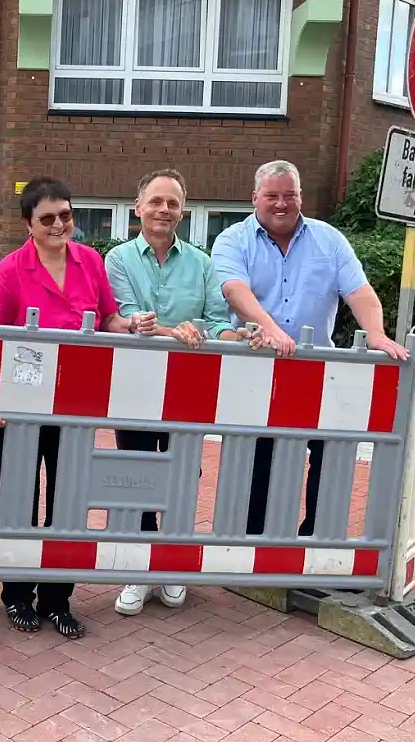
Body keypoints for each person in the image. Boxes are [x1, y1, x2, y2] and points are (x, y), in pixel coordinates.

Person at [0, 177, 158, 639]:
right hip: (18, 408)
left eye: (66, 215)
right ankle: (16, 595)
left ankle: (57, 598)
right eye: (47, 218)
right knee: (19, 504)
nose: (59, 224)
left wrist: (130, 324)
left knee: (67, 505)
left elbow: (106, 318)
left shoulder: (90, 262)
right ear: (28, 225)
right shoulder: (10, 270)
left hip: (74, 406)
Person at [210, 160, 408, 537]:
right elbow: (235, 290)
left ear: (300, 196)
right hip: (257, 366)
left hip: (317, 370)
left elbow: (360, 292)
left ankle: (315, 539)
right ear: (255, 198)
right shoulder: (232, 239)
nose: (282, 204)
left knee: (329, 454)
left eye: (290, 195)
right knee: (259, 458)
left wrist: (377, 334)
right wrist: (268, 329)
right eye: (272, 196)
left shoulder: (329, 240)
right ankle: (253, 543)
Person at [104, 168, 262, 616]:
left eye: (173, 203)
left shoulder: (203, 262)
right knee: (138, 474)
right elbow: (128, 317)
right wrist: (175, 330)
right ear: (138, 208)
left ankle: (172, 564)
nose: (164, 210)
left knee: (182, 476)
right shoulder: (117, 260)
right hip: (135, 384)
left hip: (187, 387)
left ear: (184, 211)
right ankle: (138, 568)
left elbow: (216, 319)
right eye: (156, 201)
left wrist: (222, 333)